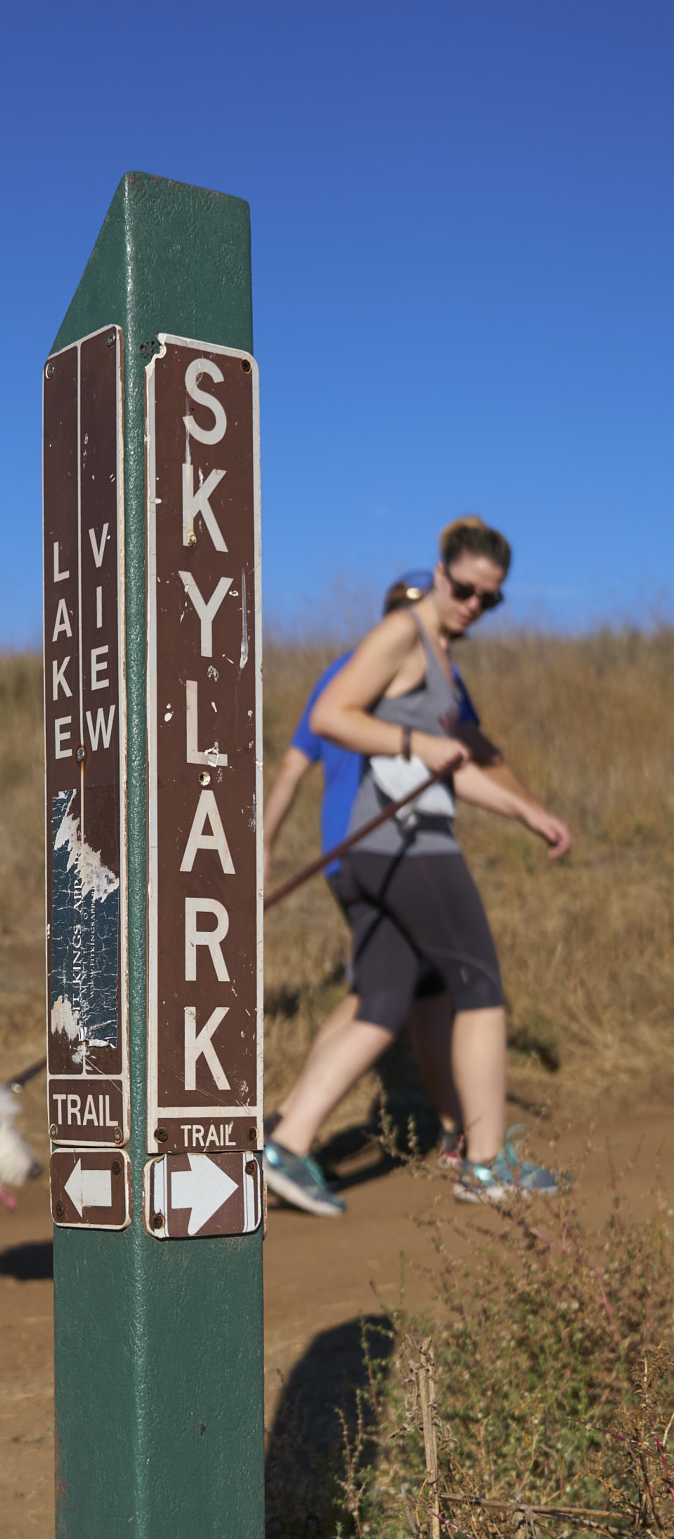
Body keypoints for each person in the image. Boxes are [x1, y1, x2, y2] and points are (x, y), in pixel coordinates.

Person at [263, 517, 572, 1216]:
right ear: (439, 573)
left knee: (380, 1002)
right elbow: (332, 717)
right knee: (479, 984)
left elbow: (453, 767)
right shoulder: (403, 633)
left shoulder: (441, 661)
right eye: (464, 588)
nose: (472, 604)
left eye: (488, 599)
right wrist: (413, 742)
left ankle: (283, 1147)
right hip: (404, 845)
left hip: (383, 848)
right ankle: (486, 1164)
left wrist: (526, 813)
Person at [263, 573, 473, 1155]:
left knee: (390, 991)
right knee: (400, 996)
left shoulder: (349, 672)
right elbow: (293, 761)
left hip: (351, 859)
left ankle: (290, 1125)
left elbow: (292, 765)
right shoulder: (411, 673)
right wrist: (262, 846)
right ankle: (293, 1139)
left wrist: (267, 844)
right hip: (388, 849)